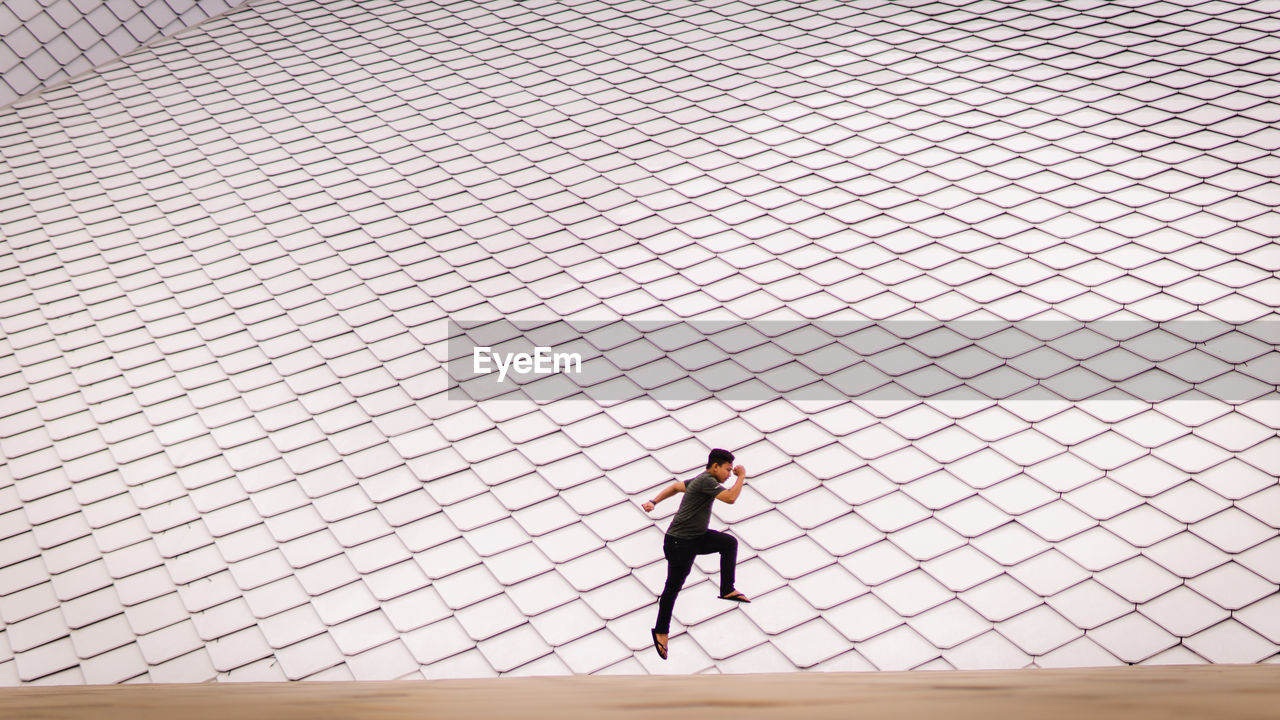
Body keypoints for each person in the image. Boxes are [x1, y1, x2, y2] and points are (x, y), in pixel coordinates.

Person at [641, 448, 749, 660]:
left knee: (728, 543)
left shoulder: (700, 480)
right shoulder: (707, 480)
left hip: (695, 538)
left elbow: (675, 487)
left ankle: (727, 589)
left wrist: (654, 501)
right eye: (727, 470)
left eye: (731, 471)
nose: (729, 475)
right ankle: (661, 631)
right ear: (715, 467)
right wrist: (742, 476)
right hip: (679, 543)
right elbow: (730, 499)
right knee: (672, 587)